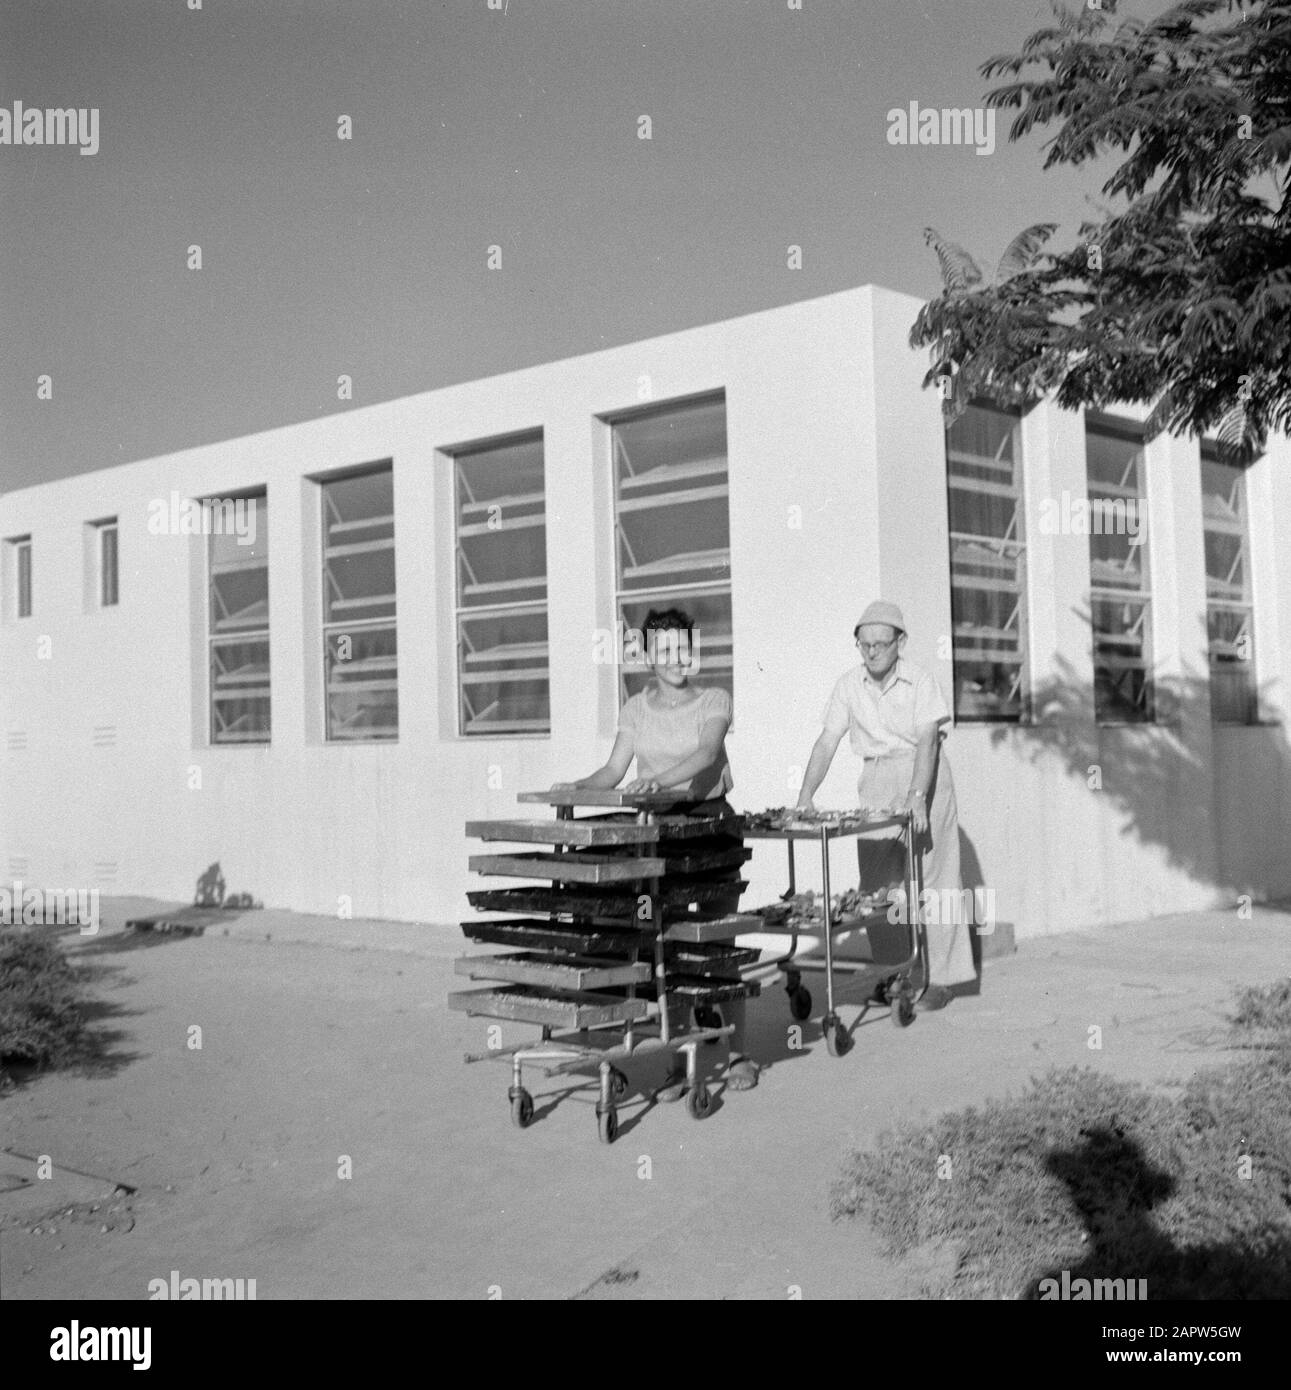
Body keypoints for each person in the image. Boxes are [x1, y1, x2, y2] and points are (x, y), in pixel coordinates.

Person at [554, 607, 758, 1090]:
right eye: (665, 649)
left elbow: (707, 754)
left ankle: (739, 1056)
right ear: (647, 656)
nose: (676, 658)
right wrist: (577, 787)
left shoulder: (715, 699)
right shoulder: (634, 708)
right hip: (658, 832)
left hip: (711, 828)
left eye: (684, 647)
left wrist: (657, 783)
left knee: (715, 941)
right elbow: (613, 771)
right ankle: (676, 1060)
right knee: (664, 946)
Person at [794, 600, 976, 1010]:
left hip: (924, 776)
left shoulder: (921, 681)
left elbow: (928, 741)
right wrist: (805, 796)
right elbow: (827, 742)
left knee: (936, 881)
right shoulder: (848, 684)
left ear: (901, 642)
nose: (873, 652)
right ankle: (894, 976)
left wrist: (917, 798)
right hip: (876, 777)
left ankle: (939, 979)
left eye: (881, 644)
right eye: (865, 645)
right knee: (878, 887)